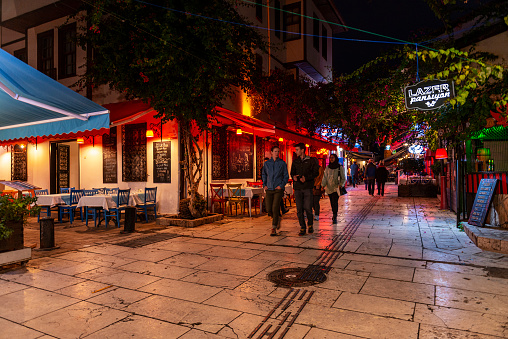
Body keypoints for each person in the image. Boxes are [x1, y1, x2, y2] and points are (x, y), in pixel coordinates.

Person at [290, 143, 319, 236]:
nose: (296, 151)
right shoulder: (295, 161)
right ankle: (302, 227)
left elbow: (316, 173)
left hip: (307, 187)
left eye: (297, 149)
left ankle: (310, 224)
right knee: (299, 209)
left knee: (307, 207)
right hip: (298, 188)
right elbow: (292, 172)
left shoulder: (311, 161)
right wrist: (294, 177)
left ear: (302, 150)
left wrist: (306, 178)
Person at [262, 146, 289, 236]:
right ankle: (277, 218)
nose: (277, 153)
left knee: (275, 207)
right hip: (269, 188)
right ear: (271, 152)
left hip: (278, 189)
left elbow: (286, 176)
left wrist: (281, 186)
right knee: (268, 208)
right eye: (275, 151)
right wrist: (264, 184)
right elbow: (264, 174)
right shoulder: (267, 164)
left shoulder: (282, 163)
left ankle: (273, 228)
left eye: (278, 151)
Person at [321, 154, 346, 224]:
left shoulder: (339, 167)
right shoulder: (328, 167)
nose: (331, 159)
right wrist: (323, 185)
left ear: (336, 158)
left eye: (332, 157)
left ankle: (335, 215)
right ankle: (334, 213)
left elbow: (343, 177)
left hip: (336, 188)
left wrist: (341, 185)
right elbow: (325, 177)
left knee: (335, 201)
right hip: (329, 188)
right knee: (332, 202)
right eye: (330, 158)